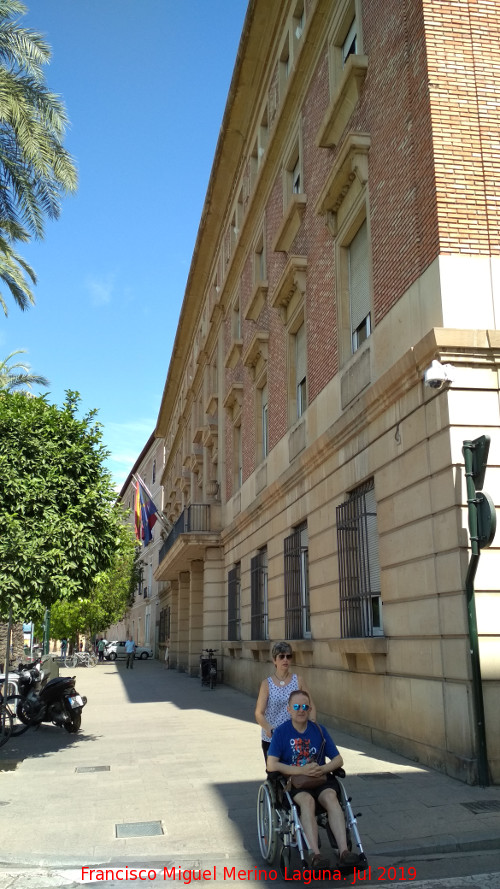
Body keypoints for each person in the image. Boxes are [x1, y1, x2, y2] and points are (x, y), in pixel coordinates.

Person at [267, 690, 362, 870]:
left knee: (332, 799)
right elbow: (271, 765)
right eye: (296, 706)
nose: (301, 710)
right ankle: (315, 855)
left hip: (320, 779)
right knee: (307, 802)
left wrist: (322, 768)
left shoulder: (319, 730)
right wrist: (300, 770)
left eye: (304, 706)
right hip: (297, 782)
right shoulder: (281, 732)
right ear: (289, 709)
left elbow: (338, 759)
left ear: (310, 709)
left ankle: (344, 852)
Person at [255, 641, 316, 760]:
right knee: (274, 774)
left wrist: (312, 726)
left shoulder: (298, 680)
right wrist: (268, 727)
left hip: (296, 737)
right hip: (273, 738)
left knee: (296, 775)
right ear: (274, 660)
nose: (285, 660)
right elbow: (259, 713)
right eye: (281, 656)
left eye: (288, 656)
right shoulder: (267, 684)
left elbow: (311, 706)